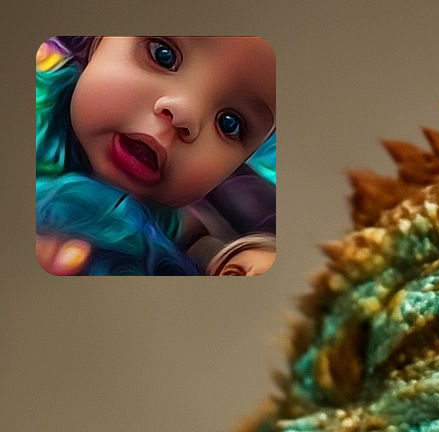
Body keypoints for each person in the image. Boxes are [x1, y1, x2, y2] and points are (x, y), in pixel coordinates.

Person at [36, 36, 276, 275]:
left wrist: (231, 257)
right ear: (97, 44)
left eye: (229, 123)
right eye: (163, 55)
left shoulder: (165, 219)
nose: (185, 114)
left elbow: (193, 238)